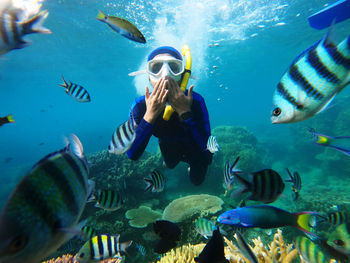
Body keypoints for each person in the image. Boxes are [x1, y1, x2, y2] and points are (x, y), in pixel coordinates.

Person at [127, 46, 212, 186]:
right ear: (148, 76)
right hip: (167, 144)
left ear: (183, 74)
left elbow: (208, 153)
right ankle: (169, 163)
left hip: (193, 146)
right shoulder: (140, 106)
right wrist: (149, 116)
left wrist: (186, 113)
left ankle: (189, 166)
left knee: (197, 180)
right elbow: (132, 154)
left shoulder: (195, 101)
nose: (165, 74)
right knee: (171, 164)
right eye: (156, 68)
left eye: (174, 67)